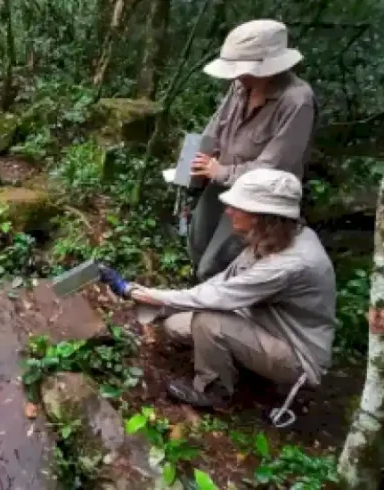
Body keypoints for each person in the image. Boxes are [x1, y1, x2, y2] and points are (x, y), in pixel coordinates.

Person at [100, 169, 336, 407]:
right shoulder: (278, 236)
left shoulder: (291, 263)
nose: (229, 211)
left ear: (260, 216)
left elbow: (219, 296)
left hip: (296, 354)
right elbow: (223, 282)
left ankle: (213, 391)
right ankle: (240, 363)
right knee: (175, 326)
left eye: (237, 206)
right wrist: (157, 300)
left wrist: (141, 293)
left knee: (207, 321)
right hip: (261, 323)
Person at [189, 19, 317, 282]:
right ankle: (196, 295)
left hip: (258, 199)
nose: (238, 75)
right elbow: (215, 126)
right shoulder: (240, 87)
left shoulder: (296, 101)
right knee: (197, 243)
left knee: (217, 263)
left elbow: (274, 167)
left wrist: (221, 171)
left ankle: (214, 311)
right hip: (219, 182)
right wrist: (194, 158)